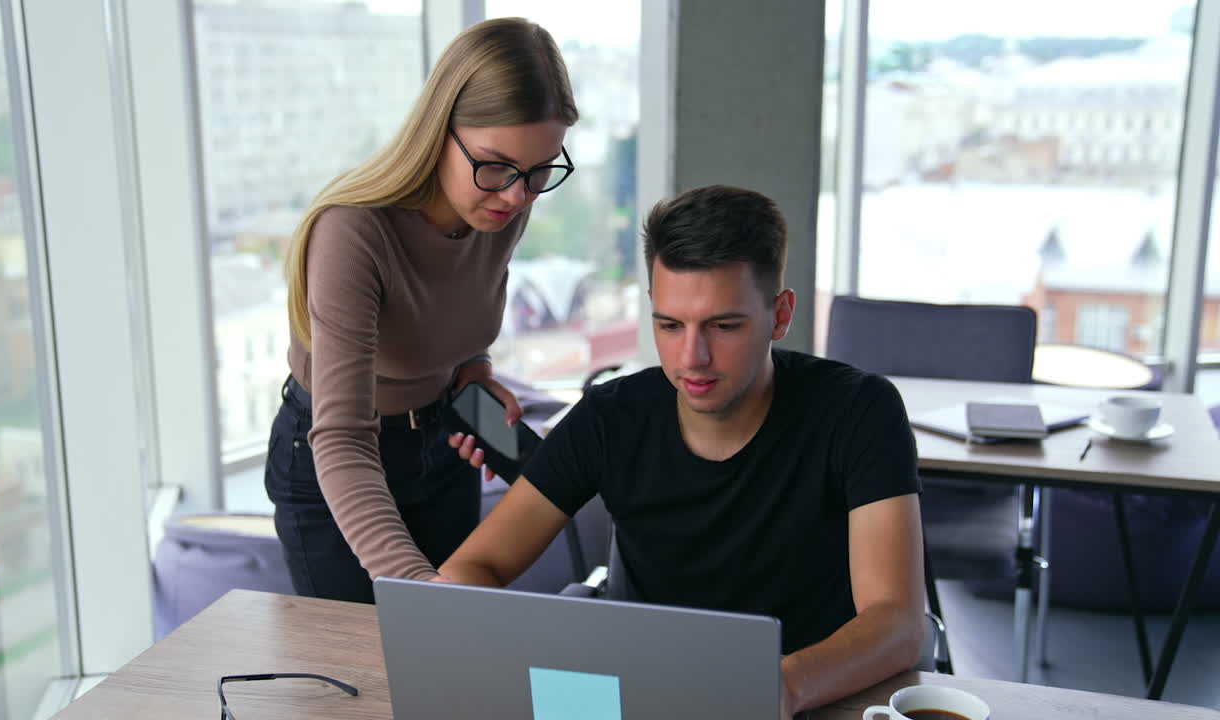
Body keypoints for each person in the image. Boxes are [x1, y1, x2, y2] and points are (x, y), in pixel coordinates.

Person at [439, 185, 926, 713]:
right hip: (646, 696)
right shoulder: (612, 416)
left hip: (814, 696)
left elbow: (897, 622)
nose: (691, 357)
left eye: (724, 326)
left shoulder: (858, 411)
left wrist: (780, 687)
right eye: (669, 325)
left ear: (780, 316)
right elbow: (474, 566)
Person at [265, 17, 579, 603]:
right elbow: (342, 440)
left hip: (440, 440)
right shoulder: (353, 233)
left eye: (540, 171)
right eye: (497, 166)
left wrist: (474, 368)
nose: (517, 195)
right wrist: (421, 592)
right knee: (361, 673)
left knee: (445, 676)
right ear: (439, 132)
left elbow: (457, 307)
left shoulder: (501, 203)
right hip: (336, 464)